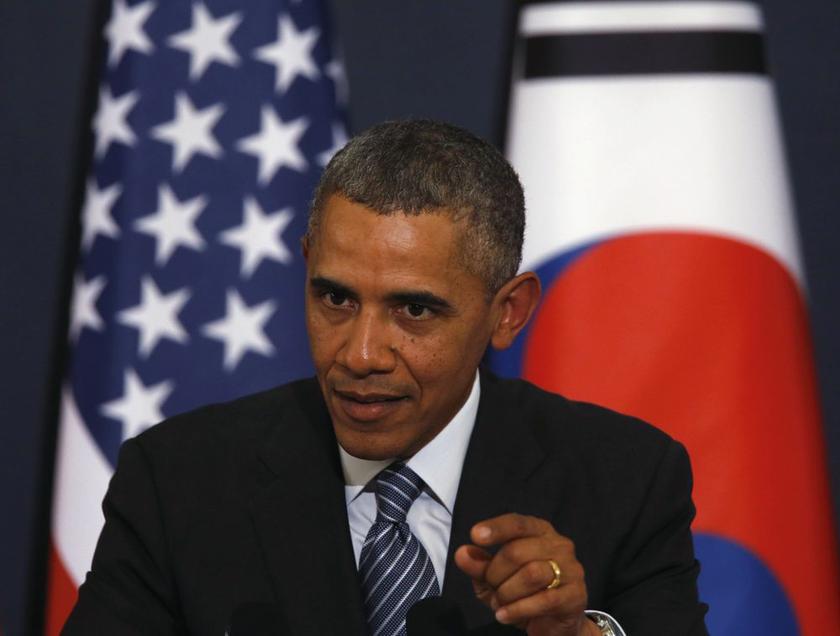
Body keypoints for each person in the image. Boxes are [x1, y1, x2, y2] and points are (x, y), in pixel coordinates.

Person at [63, 120, 708, 636]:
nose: (361, 353)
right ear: (307, 266)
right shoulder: (178, 482)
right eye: (335, 299)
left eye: (414, 310)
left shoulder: (624, 480)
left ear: (507, 313)